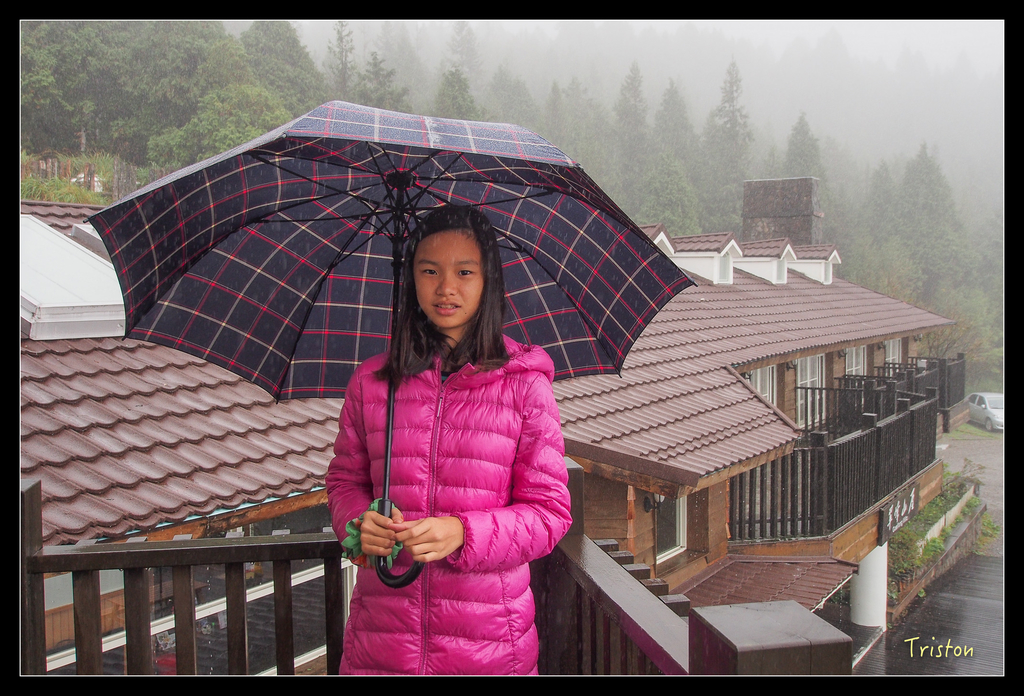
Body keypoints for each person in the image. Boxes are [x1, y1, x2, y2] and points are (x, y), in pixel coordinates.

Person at [325, 204, 573, 675]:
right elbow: (343, 483)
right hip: (382, 644)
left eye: (464, 271)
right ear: (411, 278)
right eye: (429, 271)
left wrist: (464, 533)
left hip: (489, 649)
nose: (445, 288)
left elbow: (549, 514)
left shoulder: (523, 386)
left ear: (488, 280)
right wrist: (359, 523)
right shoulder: (373, 383)